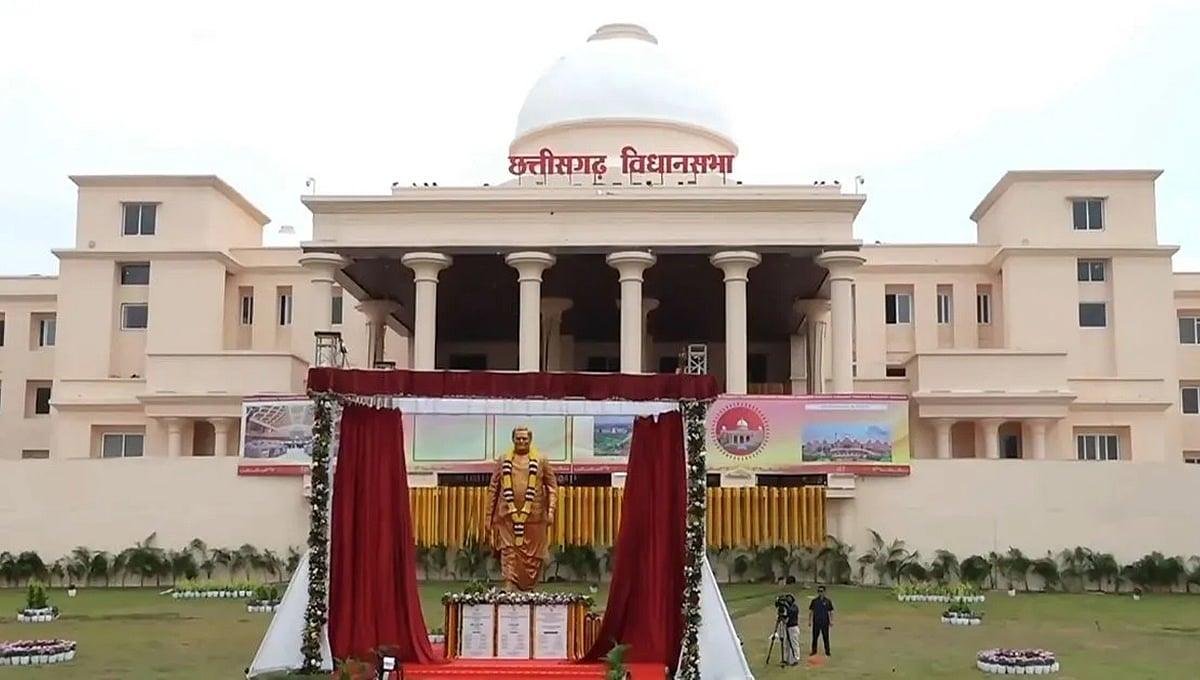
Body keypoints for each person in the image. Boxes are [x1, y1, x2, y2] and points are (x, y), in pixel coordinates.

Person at [486, 425, 558, 591]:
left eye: (524, 438)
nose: (521, 441)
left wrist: (551, 511)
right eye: (518, 438)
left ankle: (529, 587)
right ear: (513, 439)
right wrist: (488, 517)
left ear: (530, 440)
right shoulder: (503, 460)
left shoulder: (541, 460)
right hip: (507, 515)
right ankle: (509, 584)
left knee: (533, 556)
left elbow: (552, 487)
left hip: (534, 517)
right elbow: (493, 489)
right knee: (508, 550)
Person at [809, 585, 834, 656]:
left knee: (826, 637)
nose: (820, 593)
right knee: (815, 637)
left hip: (825, 622)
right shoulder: (814, 601)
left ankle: (827, 651)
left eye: (821, 591)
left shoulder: (828, 601)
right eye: (819, 591)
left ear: (824, 592)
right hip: (816, 622)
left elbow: (830, 611)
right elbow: (811, 611)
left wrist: (831, 621)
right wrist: (810, 621)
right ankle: (814, 651)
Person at [782, 594, 801, 666]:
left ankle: (796, 659)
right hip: (788, 627)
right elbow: (785, 619)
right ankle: (787, 659)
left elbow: (791, 612)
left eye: (789, 598)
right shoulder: (787, 608)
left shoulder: (794, 607)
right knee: (787, 644)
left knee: (794, 644)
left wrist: (786, 606)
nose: (788, 599)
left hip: (793, 628)